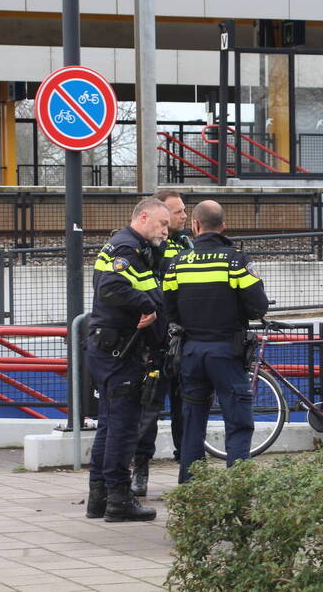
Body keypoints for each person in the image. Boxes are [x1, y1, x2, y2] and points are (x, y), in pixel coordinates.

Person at [163, 199, 269, 484]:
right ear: (223, 226)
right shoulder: (236, 261)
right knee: (238, 421)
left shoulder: (177, 263)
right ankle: (236, 488)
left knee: (192, 423)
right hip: (227, 352)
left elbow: (169, 309)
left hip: (191, 352)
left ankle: (190, 488)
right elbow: (258, 307)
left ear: (195, 226)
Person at [84, 196, 169, 523]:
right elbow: (111, 287)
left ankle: (99, 496)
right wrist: (146, 306)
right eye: (162, 224)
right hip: (120, 350)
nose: (165, 231)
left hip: (111, 348)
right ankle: (118, 499)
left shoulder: (128, 246)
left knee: (109, 421)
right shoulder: (127, 250)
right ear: (144, 217)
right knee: (122, 425)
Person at [130, 190, 193, 497]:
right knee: (149, 408)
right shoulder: (148, 247)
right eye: (175, 213)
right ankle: (140, 469)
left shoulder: (187, 244)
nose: (182, 217)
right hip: (154, 340)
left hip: (183, 337)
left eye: (182, 212)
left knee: (187, 407)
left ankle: (189, 470)